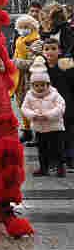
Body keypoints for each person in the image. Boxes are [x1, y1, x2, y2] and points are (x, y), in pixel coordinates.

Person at [21, 57, 66, 177]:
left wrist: (49, 115)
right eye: (36, 85)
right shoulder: (30, 95)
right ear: (32, 85)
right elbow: (24, 108)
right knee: (42, 150)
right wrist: (33, 115)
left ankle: (60, 166)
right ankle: (43, 167)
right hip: (40, 128)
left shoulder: (54, 94)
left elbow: (61, 107)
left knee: (56, 149)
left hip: (54, 127)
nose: (39, 88)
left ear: (48, 84)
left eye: (42, 85)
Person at [42, 37, 74, 168]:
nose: (50, 52)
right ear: (43, 52)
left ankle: (70, 158)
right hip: (49, 105)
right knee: (52, 134)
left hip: (67, 104)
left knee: (68, 133)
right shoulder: (41, 68)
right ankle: (54, 159)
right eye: (47, 49)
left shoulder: (66, 66)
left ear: (59, 51)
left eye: (54, 49)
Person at [11, 14, 43, 145]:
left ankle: (37, 133)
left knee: (34, 105)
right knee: (21, 104)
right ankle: (27, 130)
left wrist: (15, 62)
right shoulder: (19, 40)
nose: (23, 29)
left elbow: (33, 62)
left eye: (26, 27)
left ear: (33, 27)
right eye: (21, 27)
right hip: (19, 78)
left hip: (31, 78)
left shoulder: (36, 41)